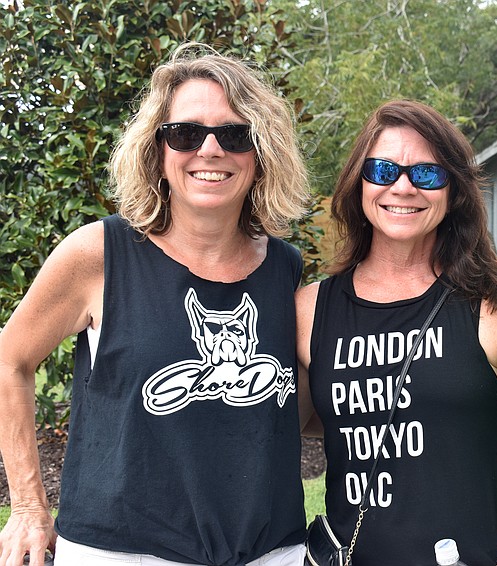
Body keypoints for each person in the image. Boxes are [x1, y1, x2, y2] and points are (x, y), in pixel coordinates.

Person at [0, 42, 310, 566]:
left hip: (268, 550)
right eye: (186, 133)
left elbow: (292, 409)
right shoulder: (99, 254)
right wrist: (29, 505)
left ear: (262, 155)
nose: (210, 150)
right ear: (157, 151)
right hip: (123, 552)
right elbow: (11, 360)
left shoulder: (287, 270)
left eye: (235, 135)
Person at [295, 99, 497, 566]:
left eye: (427, 175)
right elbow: (296, 428)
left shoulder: (492, 304)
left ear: (453, 192)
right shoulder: (308, 311)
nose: (403, 187)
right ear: (358, 182)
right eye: (384, 170)